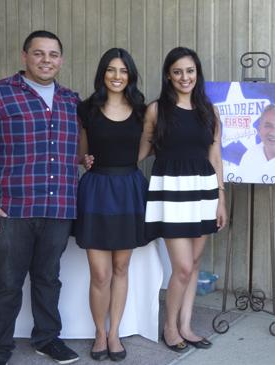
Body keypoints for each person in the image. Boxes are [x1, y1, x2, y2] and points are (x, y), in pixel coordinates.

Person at [0, 30, 80, 365]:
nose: (46, 60)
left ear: (61, 59)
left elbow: (71, 150)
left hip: (58, 207)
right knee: (7, 284)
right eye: (39, 53)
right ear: (24, 56)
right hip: (11, 209)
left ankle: (47, 339)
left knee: (48, 278)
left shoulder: (71, 100)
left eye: (53, 54)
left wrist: (85, 159)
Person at [143, 46, 227, 353]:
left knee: (193, 264)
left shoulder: (209, 109)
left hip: (203, 192)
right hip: (171, 193)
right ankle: (170, 326)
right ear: (168, 75)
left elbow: (215, 155)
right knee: (181, 267)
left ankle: (187, 325)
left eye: (190, 71)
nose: (184, 77)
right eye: (177, 71)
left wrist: (221, 198)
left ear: (197, 73)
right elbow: (141, 150)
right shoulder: (156, 110)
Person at [75, 48, 151, 361]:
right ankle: (99, 332)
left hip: (129, 189)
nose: (117, 76)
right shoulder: (87, 109)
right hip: (96, 190)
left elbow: (144, 151)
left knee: (121, 267)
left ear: (130, 75)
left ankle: (115, 332)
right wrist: (85, 160)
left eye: (123, 71)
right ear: (102, 74)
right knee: (100, 273)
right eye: (111, 70)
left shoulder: (141, 110)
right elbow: (81, 154)